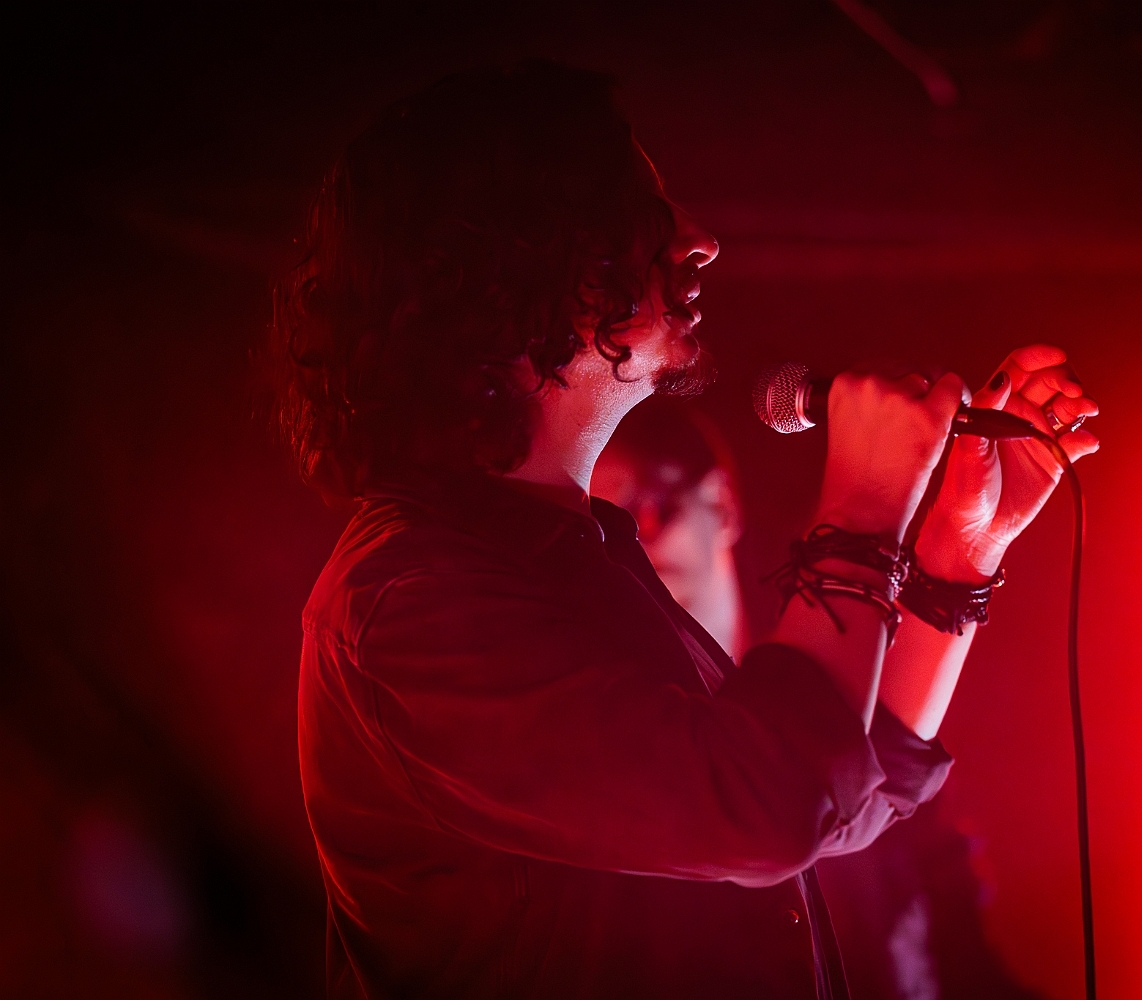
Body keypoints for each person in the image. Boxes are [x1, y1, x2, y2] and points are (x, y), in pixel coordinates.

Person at [274, 62, 1098, 999]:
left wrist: (958, 549)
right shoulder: (408, 603)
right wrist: (865, 507)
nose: (701, 241)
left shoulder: (576, 559)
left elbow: (844, 786)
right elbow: (769, 804)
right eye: (643, 206)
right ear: (518, 256)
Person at [595, 399, 1048, 1000]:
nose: (637, 542)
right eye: (607, 529)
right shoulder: (610, 755)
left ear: (723, 502)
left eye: (654, 505)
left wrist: (970, 545)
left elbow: (966, 962)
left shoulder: (858, 696)